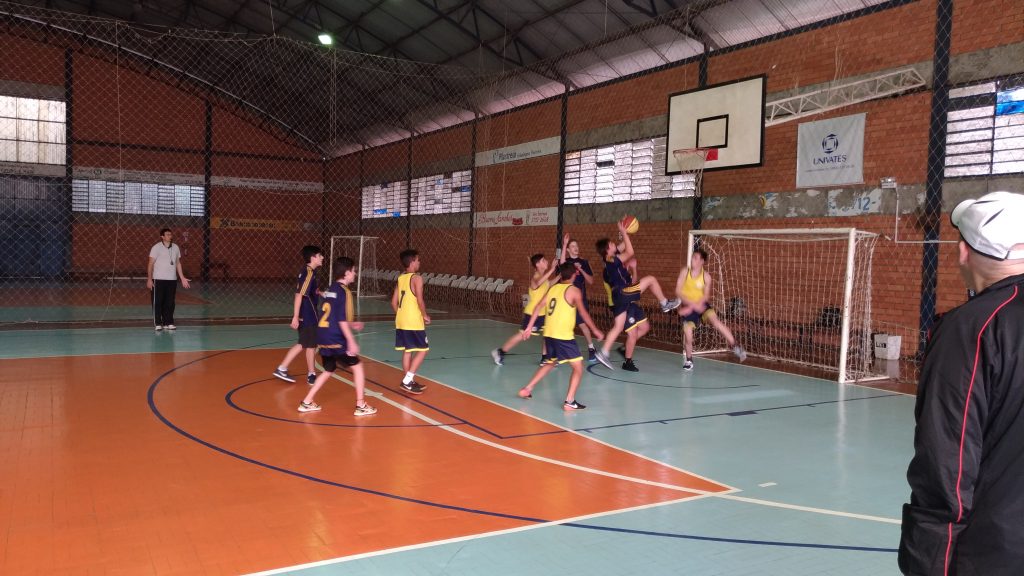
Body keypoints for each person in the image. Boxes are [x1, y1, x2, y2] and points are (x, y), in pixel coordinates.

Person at [898, 191, 1024, 575]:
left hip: (990, 551)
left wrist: (928, 562)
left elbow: (947, 464)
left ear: (963, 252)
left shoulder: (973, 328)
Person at [593, 218, 681, 371]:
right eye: (611, 244)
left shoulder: (610, 259)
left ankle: (603, 353)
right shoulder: (612, 259)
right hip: (623, 291)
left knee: (618, 326)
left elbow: (623, 246)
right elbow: (630, 252)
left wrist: (625, 231)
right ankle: (664, 303)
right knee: (651, 279)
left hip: (619, 297)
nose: (614, 244)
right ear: (607, 249)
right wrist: (623, 232)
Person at [518, 262, 605, 411]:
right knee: (578, 367)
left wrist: (529, 327)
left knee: (550, 363)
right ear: (574, 274)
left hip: (549, 334)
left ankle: (527, 389)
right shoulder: (574, 291)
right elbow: (583, 313)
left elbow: (538, 306)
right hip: (563, 336)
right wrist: (595, 330)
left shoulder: (553, 288)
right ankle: (570, 401)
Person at [298, 256, 376, 416]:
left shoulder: (331, 289)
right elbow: (340, 319)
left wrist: (352, 324)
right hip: (336, 338)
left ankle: (307, 402)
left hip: (323, 336)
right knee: (358, 367)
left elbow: (331, 316)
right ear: (346, 273)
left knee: (329, 369)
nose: (355, 274)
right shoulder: (344, 291)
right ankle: (361, 405)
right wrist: (351, 341)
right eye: (353, 271)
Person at [676, 248, 746, 371]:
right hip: (688, 306)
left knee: (715, 321)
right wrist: (691, 305)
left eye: (696, 258)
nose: (693, 260)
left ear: (702, 261)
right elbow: (678, 291)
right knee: (688, 335)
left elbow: (706, 296)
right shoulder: (685, 272)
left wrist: (698, 305)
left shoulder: (706, 277)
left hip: (701, 305)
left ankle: (735, 346)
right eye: (693, 257)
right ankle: (689, 359)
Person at [491, 253, 556, 366]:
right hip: (533, 313)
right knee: (522, 335)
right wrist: (552, 269)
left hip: (543, 313)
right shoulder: (535, 277)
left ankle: (545, 358)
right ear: (538, 264)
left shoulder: (544, 277)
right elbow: (538, 283)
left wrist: (560, 276)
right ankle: (500, 352)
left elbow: (548, 283)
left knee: (548, 334)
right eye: (543, 260)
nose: (546, 261)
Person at [272, 245, 324, 385]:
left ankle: (311, 373)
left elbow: (308, 291)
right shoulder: (308, 273)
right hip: (308, 314)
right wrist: (295, 316)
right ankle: (282, 368)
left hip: (308, 313)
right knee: (303, 343)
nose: (322, 257)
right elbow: (299, 295)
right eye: (320, 255)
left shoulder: (309, 272)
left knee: (310, 344)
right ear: (313, 258)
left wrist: (320, 293)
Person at [392, 249, 429, 395]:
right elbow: (419, 300)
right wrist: (425, 315)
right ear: (412, 261)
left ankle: (408, 381)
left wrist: (402, 315)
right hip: (413, 321)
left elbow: (393, 303)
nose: (419, 262)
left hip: (401, 320)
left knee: (407, 351)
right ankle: (407, 380)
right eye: (418, 260)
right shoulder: (417, 278)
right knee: (423, 350)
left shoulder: (401, 278)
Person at [559, 233, 598, 362]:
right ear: (568, 250)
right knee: (563, 324)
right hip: (567, 299)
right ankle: (560, 350)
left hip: (579, 299)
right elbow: (562, 263)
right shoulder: (567, 262)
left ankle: (591, 348)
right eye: (572, 246)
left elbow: (591, 281)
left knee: (582, 324)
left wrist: (581, 270)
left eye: (577, 246)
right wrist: (564, 244)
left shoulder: (584, 262)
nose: (576, 248)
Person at [147, 228, 191, 331]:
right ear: (162, 236)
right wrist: (149, 279)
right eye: (167, 234)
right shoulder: (156, 247)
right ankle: (158, 323)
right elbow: (150, 264)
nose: (170, 236)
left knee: (170, 302)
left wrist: (182, 277)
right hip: (158, 279)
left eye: (170, 234)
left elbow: (178, 263)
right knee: (158, 302)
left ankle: (169, 322)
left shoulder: (175, 247)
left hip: (172, 280)